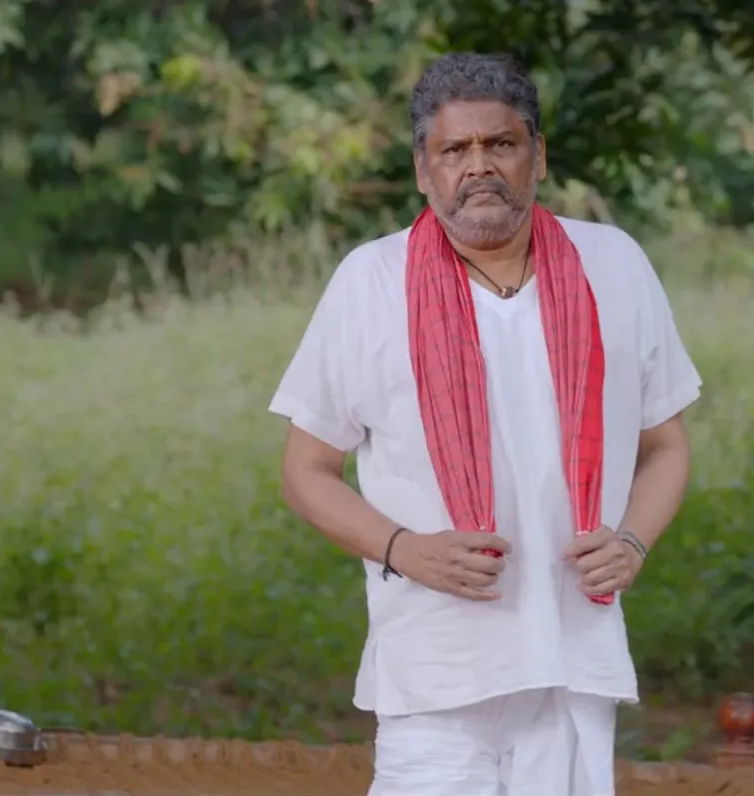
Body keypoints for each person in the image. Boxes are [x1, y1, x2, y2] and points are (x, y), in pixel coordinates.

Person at [268, 52, 702, 796]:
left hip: (573, 657)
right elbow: (305, 472)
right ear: (422, 169)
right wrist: (406, 550)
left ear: (538, 156)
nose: (479, 167)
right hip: (435, 667)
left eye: (501, 144)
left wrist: (632, 541)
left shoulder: (614, 265)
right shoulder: (370, 283)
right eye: (454, 150)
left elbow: (665, 446)